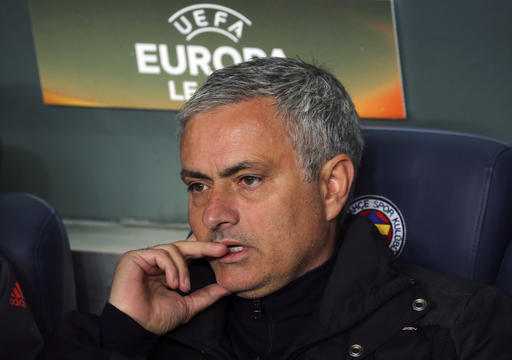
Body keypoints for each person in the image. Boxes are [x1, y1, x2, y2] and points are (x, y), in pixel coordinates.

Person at [43, 58, 512, 359]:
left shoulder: (459, 331)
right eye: (198, 185)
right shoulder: (152, 318)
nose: (213, 215)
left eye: (247, 180)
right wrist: (123, 336)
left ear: (331, 187)